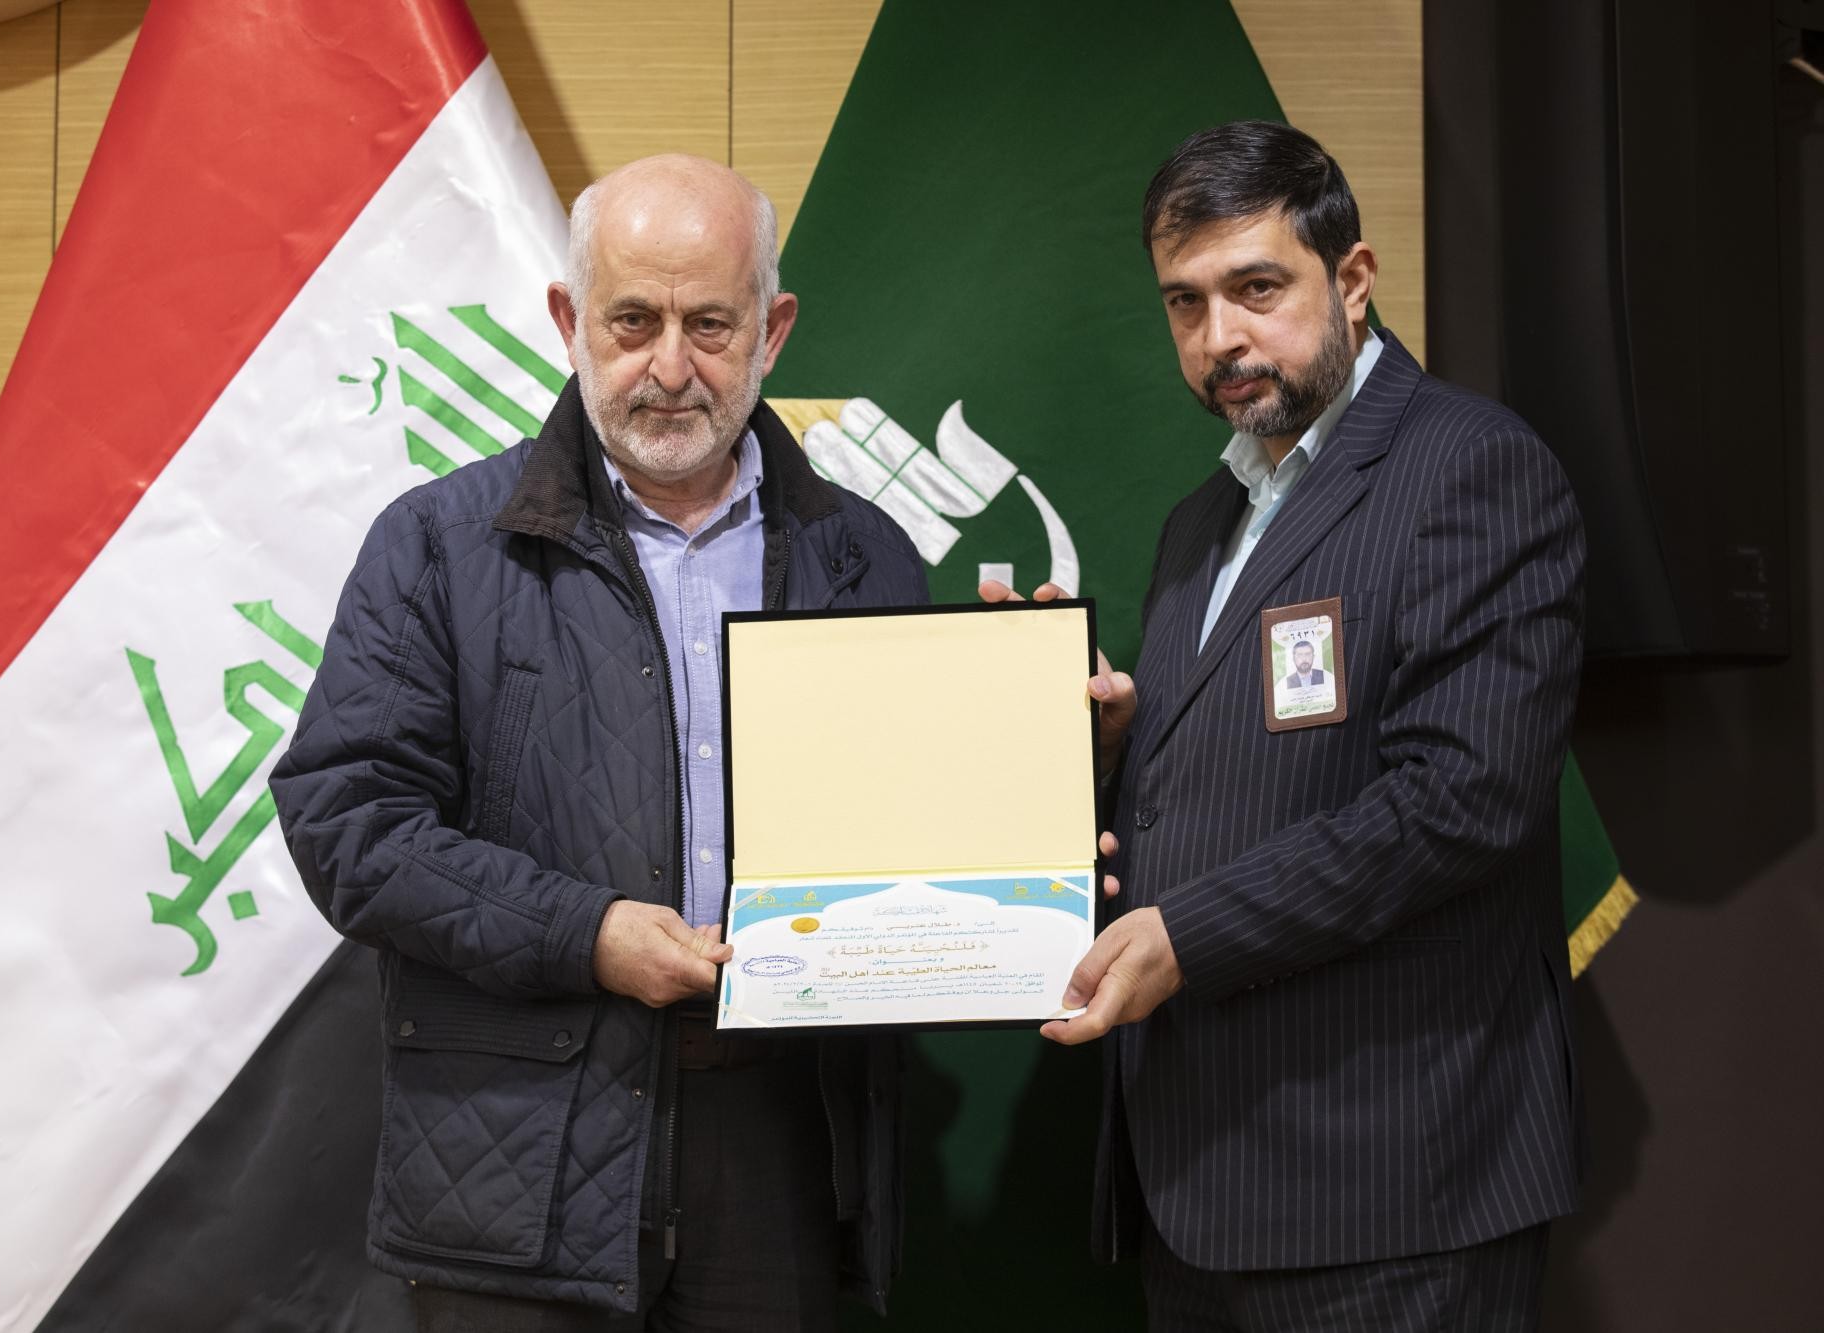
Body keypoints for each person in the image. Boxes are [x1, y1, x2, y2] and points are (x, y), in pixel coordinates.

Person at [271, 154, 927, 1331]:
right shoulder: (436, 545)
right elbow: (346, 826)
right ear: (568, 321)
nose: (669, 367)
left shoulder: (866, 554)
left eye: (709, 324)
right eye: (632, 322)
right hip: (511, 1159)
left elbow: (916, 829)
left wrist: (1043, 759)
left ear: (772, 330)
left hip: (777, 1146)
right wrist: (585, 933)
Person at [987, 120, 1584, 1329]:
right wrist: (1113, 745)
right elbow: (1234, 781)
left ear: (1350, 280)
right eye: (1185, 302)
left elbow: (1461, 799)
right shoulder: (1198, 521)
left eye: (1256, 289)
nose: (1220, 337)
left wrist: (1185, 937)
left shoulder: (1471, 466)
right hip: (1198, 1184)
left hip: (1391, 1193)